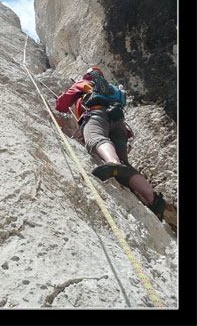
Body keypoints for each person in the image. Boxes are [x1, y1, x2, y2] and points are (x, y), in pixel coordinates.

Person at [55, 67, 166, 221]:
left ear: (87, 75)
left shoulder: (86, 83)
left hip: (96, 116)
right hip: (119, 125)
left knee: (96, 138)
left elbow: (62, 104)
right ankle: (153, 199)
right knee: (125, 165)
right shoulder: (112, 88)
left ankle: (112, 162)